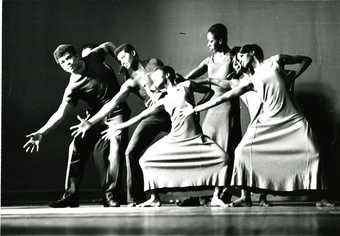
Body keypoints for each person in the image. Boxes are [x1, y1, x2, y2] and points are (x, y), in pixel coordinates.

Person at [184, 44, 330, 207]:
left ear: (252, 53)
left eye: (240, 56)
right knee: (241, 152)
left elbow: (306, 60)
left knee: (314, 152)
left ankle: (321, 198)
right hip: (267, 121)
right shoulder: (250, 81)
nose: (237, 61)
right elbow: (223, 97)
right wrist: (197, 107)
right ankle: (245, 197)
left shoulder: (275, 61)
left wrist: (293, 76)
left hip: (292, 118)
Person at [102, 66, 231, 207]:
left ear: (168, 74)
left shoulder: (186, 85)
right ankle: (154, 198)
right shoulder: (163, 100)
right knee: (146, 160)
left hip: (195, 137)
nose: (154, 80)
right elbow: (140, 116)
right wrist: (117, 126)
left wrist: (197, 107)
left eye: (157, 77)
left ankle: (216, 197)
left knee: (222, 158)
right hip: (175, 138)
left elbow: (210, 91)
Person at [23, 42, 130, 207]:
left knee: (115, 149)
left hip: (117, 112)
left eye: (69, 58)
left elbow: (108, 45)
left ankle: (111, 195)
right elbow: (60, 113)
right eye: (63, 63)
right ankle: (71, 195)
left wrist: (121, 61)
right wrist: (41, 133)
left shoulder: (93, 57)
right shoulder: (73, 87)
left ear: (77, 56)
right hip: (93, 119)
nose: (68, 64)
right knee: (76, 146)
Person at [70, 44, 172, 206]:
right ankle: (136, 199)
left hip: (173, 109)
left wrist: (159, 93)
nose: (122, 62)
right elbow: (113, 102)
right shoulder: (129, 80)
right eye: (119, 60)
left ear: (133, 52)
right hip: (154, 115)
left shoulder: (152, 63)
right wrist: (91, 122)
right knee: (130, 152)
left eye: (124, 57)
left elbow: (164, 78)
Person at [185, 23, 242, 202]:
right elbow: (186, 79)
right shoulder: (208, 61)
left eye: (211, 41)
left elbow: (240, 80)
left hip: (227, 107)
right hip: (211, 108)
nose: (208, 45)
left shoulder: (234, 57)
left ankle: (223, 190)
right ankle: (210, 192)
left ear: (221, 40)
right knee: (209, 147)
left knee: (226, 147)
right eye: (208, 42)